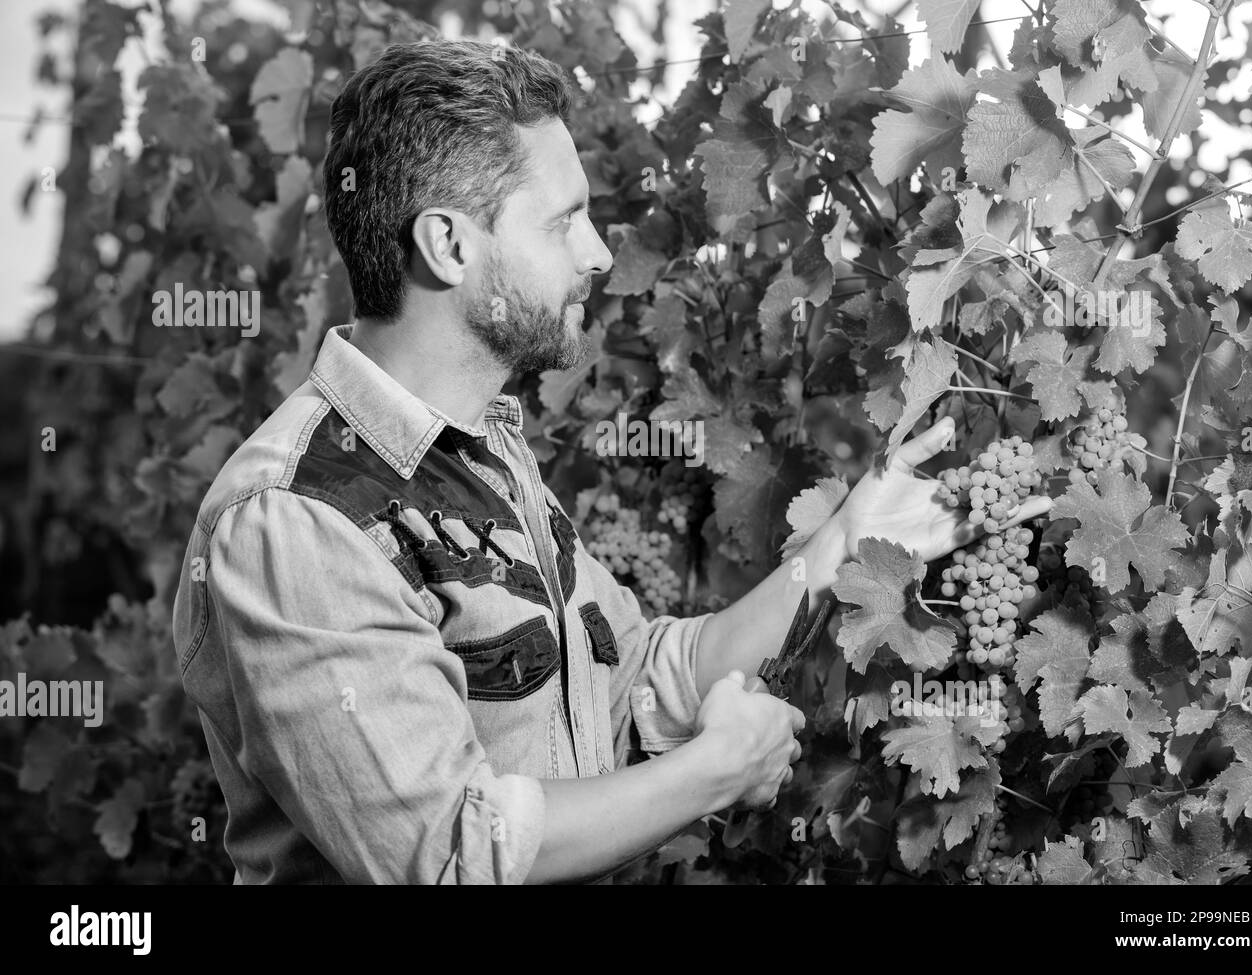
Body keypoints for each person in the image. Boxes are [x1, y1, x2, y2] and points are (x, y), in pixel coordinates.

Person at [171, 38, 1044, 884]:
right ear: (448, 245)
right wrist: (713, 771)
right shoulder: (303, 518)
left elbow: (636, 674)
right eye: (563, 222)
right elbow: (445, 853)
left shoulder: (484, 451)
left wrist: (844, 546)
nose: (596, 253)